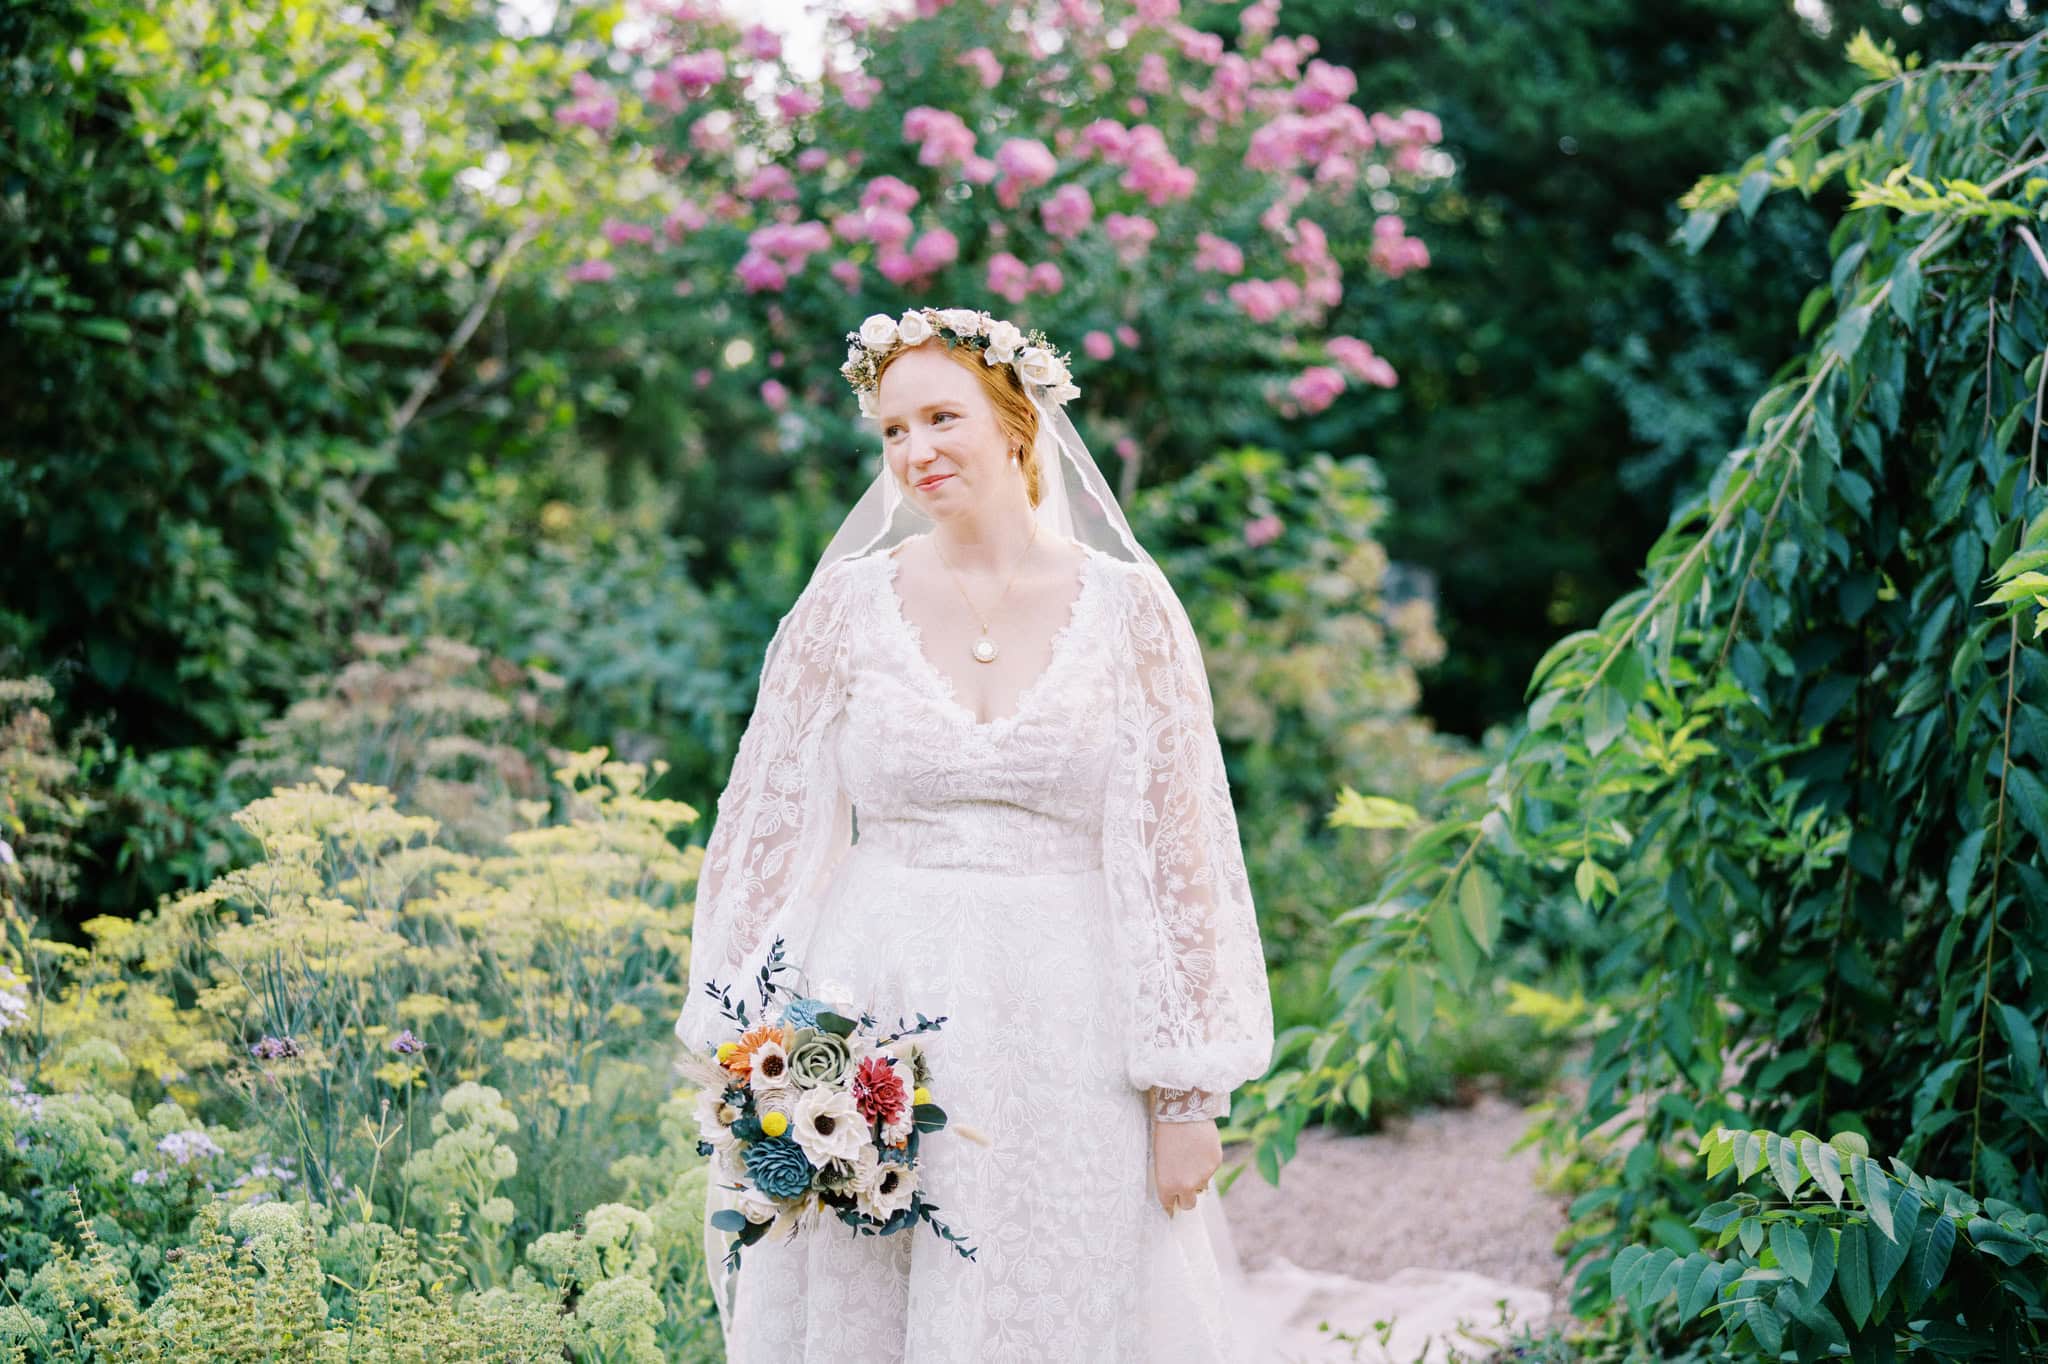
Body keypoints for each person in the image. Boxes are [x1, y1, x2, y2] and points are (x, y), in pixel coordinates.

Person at [675, 305, 1275, 1361]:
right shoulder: (840, 611)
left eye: (940, 417)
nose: (915, 452)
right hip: (875, 1010)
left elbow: (1179, 849)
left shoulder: (1132, 612)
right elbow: (764, 832)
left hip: (1069, 1022)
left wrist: (1185, 1092)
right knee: (870, 1294)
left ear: (1013, 418)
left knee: (1061, 1288)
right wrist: (747, 1053)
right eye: (892, 430)